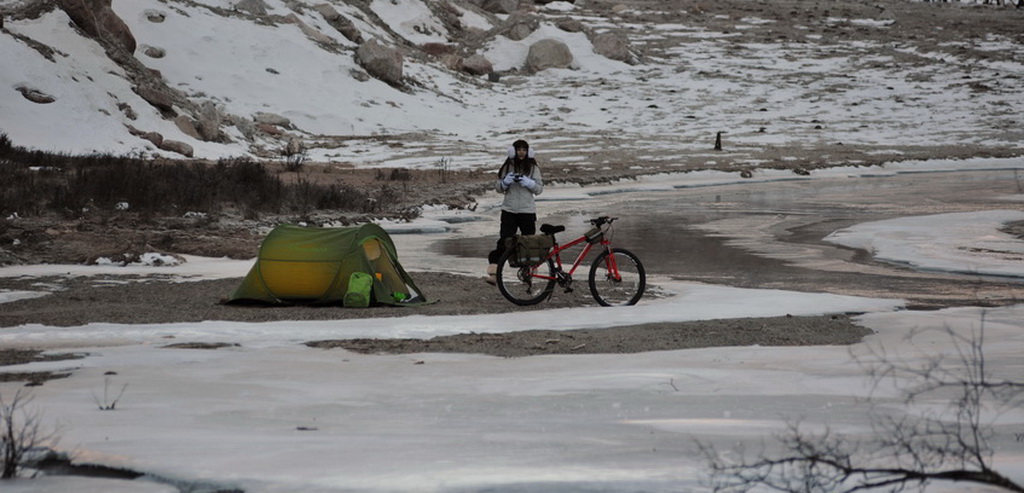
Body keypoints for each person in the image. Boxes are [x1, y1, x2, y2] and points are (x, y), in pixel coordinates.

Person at [486, 139, 543, 285]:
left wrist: (529, 183)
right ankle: (494, 273)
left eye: (524, 149)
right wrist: (505, 182)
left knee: (528, 243)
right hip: (509, 210)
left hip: (527, 211)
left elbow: (539, 189)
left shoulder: (533, 168)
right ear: (514, 151)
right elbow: (498, 188)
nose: (521, 152)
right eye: (519, 149)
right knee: (505, 241)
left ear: (528, 151)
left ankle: (528, 273)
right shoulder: (507, 166)